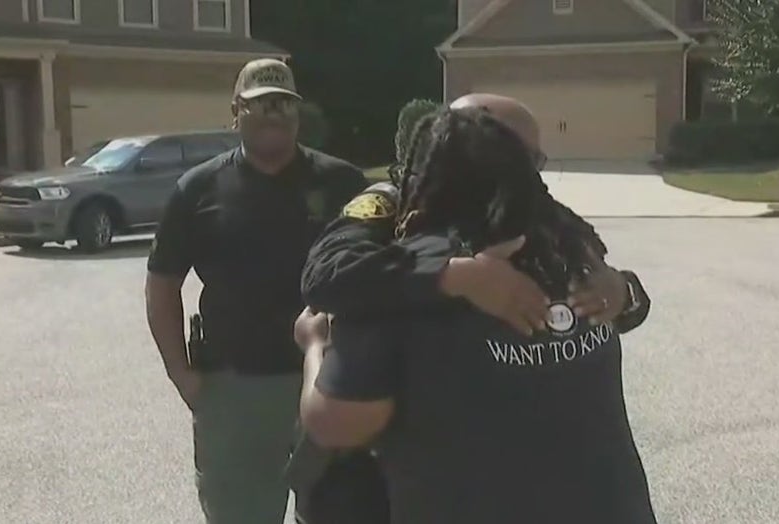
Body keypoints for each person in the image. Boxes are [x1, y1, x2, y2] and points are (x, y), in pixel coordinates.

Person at [299, 107, 659, 523]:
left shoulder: (396, 281)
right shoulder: (568, 250)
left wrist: (315, 346)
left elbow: (337, 424)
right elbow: (330, 265)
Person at [144, 58, 367, 523]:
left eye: (284, 103)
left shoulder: (342, 183)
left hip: (333, 383)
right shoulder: (199, 189)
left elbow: (381, 272)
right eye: (260, 104)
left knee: (343, 512)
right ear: (236, 111)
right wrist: (181, 375)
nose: (274, 113)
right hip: (235, 391)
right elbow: (163, 285)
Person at [301, 93, 650, 335]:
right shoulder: (393, 204)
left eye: (534, 161)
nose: (527, 173)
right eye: (513, 155)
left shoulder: (538, 214)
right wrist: (453, 276)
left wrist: (622, 291)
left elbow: (611, 290)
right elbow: (325, 276)